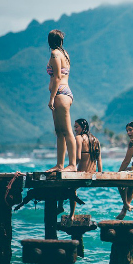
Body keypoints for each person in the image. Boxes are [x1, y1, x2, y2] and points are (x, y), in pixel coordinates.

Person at [46, 30, 77, 172]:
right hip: (64, 93)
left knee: (67, 130)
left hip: (60, 93)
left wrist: (51, 98)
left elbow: (57, 77)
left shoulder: (55, 54)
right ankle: (59, 165)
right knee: (59, 131)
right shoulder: (65, 54)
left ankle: (72, 164)